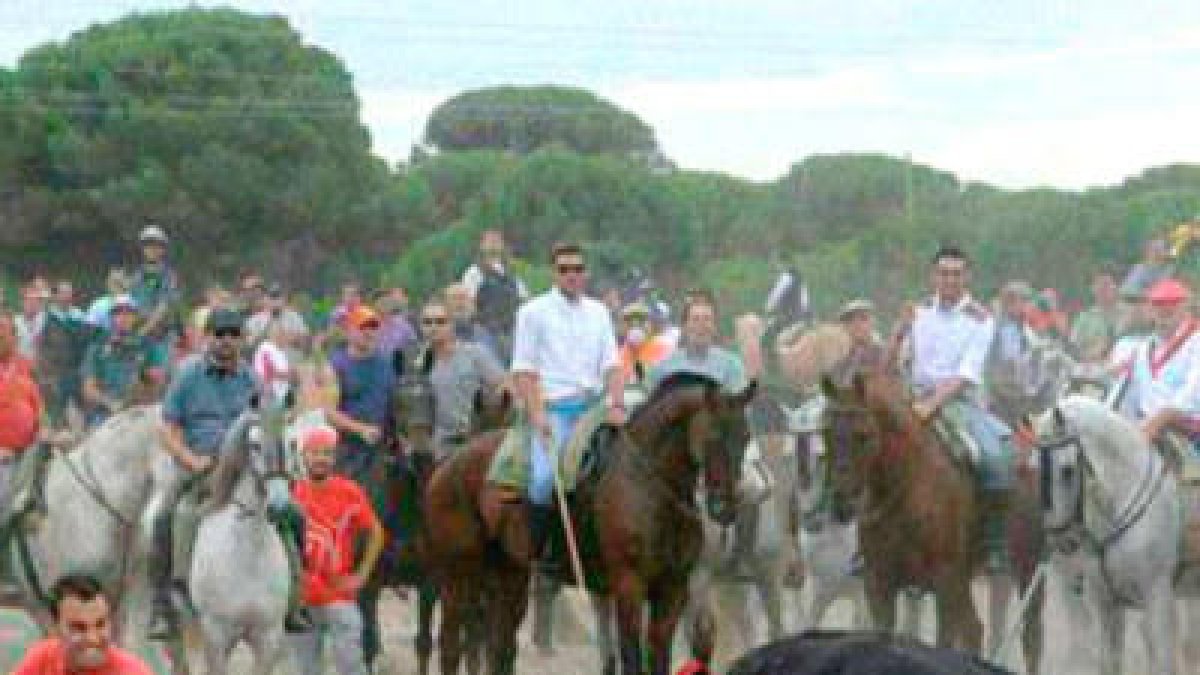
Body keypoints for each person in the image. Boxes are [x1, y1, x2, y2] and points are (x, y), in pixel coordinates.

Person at [143, 308, 311, 638]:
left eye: (233, 335)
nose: (226, 342)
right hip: (201, 465)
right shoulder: (188, 374)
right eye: (220, 335)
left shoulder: (253, 378)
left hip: (246, 468)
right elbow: (167, 427)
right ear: (208, 338)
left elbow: (270, 424)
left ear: (242, 340)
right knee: (166, 516)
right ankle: (164, 604)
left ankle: (295, 598)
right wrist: (189, 459)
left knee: (292, 514)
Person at [887, 246, 1014, 576]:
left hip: (957, 402)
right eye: (943, 273)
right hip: (912, 398)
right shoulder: (917, 312)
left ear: (967, 277)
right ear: (933, 276)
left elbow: (966, 374)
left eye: (956, 274)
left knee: (994, 459)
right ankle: (869, 544)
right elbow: (893, 363)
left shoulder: (981, 319)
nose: (949, 280)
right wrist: (898, 333)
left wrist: (930, 406)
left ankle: (993, 544)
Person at [509, 242, 624, 563]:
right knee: (545, 479)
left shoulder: (599, 312)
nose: (572, 275)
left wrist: (617, 404)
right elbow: (524, 370)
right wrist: (537, 414)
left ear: (585, 273)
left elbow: (612, 365)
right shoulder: (532, 312)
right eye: (564, 269)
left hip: (594, 407)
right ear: (554, 273)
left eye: (577, 269)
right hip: (554, 409)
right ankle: (538, 552)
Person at [647, 290, 761, 576]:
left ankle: (742, 554)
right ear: (684, 326)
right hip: (675, 454)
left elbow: (737, 412)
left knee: (754, 487)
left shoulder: (731, 365)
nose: (701, 325)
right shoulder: (663, 368)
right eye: (695, 319)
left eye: (707, 319)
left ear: (715, 326)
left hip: (719, 449)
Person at [324, 304, 396, 662]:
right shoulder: (337, 365)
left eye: (372, 327)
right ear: (348, 330)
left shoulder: (387, 364)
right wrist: (359, 429)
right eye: (361, 327)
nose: (367, 332)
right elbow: (328, 411)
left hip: (384, 450)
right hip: (349, 453)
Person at [291, 425, 385, 675]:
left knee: (352, 666)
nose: (321, 459)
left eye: (327, 453)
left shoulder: (349, 492)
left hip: (339, 596)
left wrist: (363, 574)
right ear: (303, 457)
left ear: (334, 458)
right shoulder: (291, 495)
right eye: (315, 453)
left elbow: (376, 531)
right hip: (301, 601)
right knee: (307, 670)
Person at [420, 295, 506, 463]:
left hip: (474, 443)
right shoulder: (418, 364)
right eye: (427, 322)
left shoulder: (475, 354)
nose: (433, 327)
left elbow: (503, 385)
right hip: (438, 449)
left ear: (451, 324)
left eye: (440, 322)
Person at [13, 574, 154, 674]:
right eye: (79, 628)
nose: (92, 638)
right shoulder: (42, 658)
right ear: (55, 628)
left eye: (100, 625)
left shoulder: (132, 672)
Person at [1121, 278, 1200, 449]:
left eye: (1172, 303)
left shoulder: (1196, 340)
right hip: (1146, 428)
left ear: (1186, 308)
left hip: (1190, 431)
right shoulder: (1143, 348)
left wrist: (1158, 421)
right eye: (1158, 304)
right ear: (1150, 309)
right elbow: (1127, 393)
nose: (1164, 309)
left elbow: (1191, 394)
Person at [80, 296, 164, 428]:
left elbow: (156, 380)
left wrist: (148, 381)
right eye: (118, 312)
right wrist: (111, 404)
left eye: (128, 313)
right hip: (104, 415)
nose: (123, 317)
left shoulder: (147, 346)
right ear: (112, 317)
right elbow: (88, 390)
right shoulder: (97, 347)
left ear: (135, 317)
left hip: (137, 413)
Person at [0, 309, 44, 533]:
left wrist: (47, 430)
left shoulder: (24, 366)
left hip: (30, 452)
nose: (3, 337)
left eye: (7, 332)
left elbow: (38, 406)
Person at [462, 230, 529, 358]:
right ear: (482, 246)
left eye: (497, 241)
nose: (493, 244)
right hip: (485, 330)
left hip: (511, 330)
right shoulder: (474, 272)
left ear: (502, 246)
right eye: (489, 240)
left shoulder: (512, 273)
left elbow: (525, 300)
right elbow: (468, 303)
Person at [129, 225, 181, 367]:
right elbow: (130, 305)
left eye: (156, 245)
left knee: (161, 376)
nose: (151, 249)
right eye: (147, 245)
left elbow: (163, 307)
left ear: (163, 249)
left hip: (162, 336)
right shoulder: (137, 276)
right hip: (139, 334)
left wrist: (142, 332)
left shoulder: (168, 276)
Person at [1070, 264, 1123, 363]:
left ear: (1116, 287)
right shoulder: (1085, 318)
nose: (1102, 289)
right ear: (1092, 289)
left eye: (1107, 284)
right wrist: (1090, 355)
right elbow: (1073, 349)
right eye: (1098, 284)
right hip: (1090, 368)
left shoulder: (1127, 314)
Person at [616, 302, 674, 389]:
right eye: (629, 322)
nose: (635, 326)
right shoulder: (620, 352)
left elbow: (643, 377)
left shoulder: (662, 346)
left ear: (649, 324)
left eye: (641, 321)